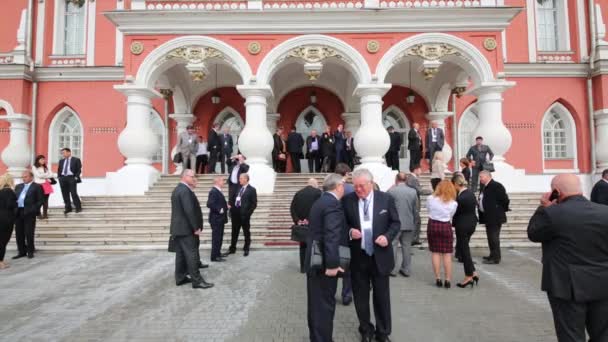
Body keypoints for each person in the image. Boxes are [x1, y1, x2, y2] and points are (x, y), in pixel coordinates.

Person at [528, 174, 608, 342]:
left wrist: (543, 208)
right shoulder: (604, 212)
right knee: (603, 335)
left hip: (565, 285)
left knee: (570, 336)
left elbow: (534, 233)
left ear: (556, 192)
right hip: (602, 282)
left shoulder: (553, 213)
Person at [343, 169, 400, 342]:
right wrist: (350, 231)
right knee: (361, 297)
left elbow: (395, 223)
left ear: (371, 183)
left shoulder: (385, 199)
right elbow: (341, 224)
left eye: (362, 186)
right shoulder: (347, 200)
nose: (358, 189)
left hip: (380, 256)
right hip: (358, 256)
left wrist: (387, 237)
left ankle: (383, 332)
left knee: (382, 297)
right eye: (356, 186)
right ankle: (366, 329)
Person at [305, 173, 347, 342]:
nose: (344, 188)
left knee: (316, 304)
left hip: (314, 261)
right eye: (343, 185)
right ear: (337, 187)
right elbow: (331, 235)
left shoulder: (320, 201)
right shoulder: (332, 204)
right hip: (324, 264)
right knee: (324, 305)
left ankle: (317, 337)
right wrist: (332, 265)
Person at [170, 169, 213, 289]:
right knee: (192, 255)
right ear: (184, 177)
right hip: (186, 229)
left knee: (181, 255)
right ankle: (197, 281)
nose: (194, 178)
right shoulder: (184, 190)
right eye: (192, 176)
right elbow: (189, 211)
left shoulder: (179, 189)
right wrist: (196, 228)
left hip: (180, 229)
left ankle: (180, 277)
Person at [426, 179, 458, 288]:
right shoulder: (453, 203)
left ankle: (438, 278)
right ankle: (448, 280)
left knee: (435, 252)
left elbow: (428, 210)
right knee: (447, 254)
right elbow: (451, 215)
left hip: (433, 224)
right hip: (445, 225)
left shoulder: (430, 199)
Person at [387, 172, 418, 278]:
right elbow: (415, 210)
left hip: (395, 223)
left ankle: (392, 269)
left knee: (393, 245)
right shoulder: (413, 192)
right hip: (409, 222)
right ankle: (406, 269)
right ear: (406, 180)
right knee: (407, 247)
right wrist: (415, 223)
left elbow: (387, 207)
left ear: (396, 179)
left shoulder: (391, 191)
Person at [451, 174, 479, 288]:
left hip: (463, 225)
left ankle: (468, 276)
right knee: (465, 249)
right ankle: (473, 272)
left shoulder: (461, 197)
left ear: (457, 184)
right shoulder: (470, 193)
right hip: (471, 223)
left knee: (464, 251)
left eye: (453, 185)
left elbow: (455, 212)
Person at [290, 178, 322, 273]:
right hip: (314, 224)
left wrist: (298, 220)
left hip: (301, 226)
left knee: (303, 246)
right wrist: (309, 219)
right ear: (315, 184)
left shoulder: (298, 193)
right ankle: (314, 267)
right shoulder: (319, 193)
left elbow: (292, 208)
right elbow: (318, 208)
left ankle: (303, 268)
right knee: (315, 245)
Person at [478, 171, 510, 265]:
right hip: (488, 217)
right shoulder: (485, 186)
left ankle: (496, 258)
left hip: (495, 217)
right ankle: (492, 255)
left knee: (494, 237)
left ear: (488, 176)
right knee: (490, 237)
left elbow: (505, 200)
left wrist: (498, 209)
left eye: (481, 177)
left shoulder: (496, 186)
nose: (480, 179)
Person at [334, 163, 354, 306]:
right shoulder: (351, 189)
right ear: (346, 174)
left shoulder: (329, 188)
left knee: (333, 261)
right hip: (348, 230)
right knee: (348, 264)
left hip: (333, 230)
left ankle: (330, 293)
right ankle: (346, 294)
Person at [13, 171, 44, 259]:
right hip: (18, 212)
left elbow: (41, 200)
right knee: (19, 233)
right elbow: (15, 198)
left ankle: (30, 251)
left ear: (31, 177)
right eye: (22, 177)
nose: (23, 178)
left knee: (29, 232)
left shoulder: (37, 186)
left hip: (29, 212)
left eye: (25, 176)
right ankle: (21, 251)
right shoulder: (18, 186)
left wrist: (33, 209)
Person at [227, 173, 257, 256]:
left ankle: (246, 248)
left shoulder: (252, 190)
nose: (239, 180)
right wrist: (231, 207)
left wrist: (248, 214)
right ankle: (232, 248)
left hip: (244, 215)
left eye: (240, 178)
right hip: (235, 214)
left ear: (246, 179)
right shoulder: (237, 188)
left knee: (246, 232)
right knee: (234, 232)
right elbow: (232, 199)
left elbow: (254, 204)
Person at [407, 165, 432, 246]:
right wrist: (431, 191)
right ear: (415, 169)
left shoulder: (412, 178)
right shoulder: (412, 179)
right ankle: (413, 239)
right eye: (420, 169)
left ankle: (414, 239)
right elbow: (419, 191)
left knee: (417, 221)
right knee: (416, 221)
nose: (421, 171)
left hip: (414, 202)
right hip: (414, 203)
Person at [207, 176, 229, 262]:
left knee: (219, 238)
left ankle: (218, 253)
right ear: (218, 182)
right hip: (216, 220)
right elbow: (210, 204)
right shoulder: (214, 191)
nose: (224, 182)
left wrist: (225, 206)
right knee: (216, 238)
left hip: (219, 219)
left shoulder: (217, 191)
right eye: (223, 180)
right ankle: (214, 257)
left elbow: (217, 203)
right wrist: (221, 209)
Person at [57, 147, 82, 215]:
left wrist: (76, 177)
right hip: (63, 178)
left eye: (64, 153)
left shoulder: (76, 160)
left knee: (73, 193)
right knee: (65, 194)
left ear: (69, 152)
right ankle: (68, 208)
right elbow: (59, 170)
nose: (63, 154)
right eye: (62, 153)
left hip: (71, 178)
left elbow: (79, 169)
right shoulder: (61, 161)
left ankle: (78, 207)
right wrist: (59, 177)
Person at [0, 173, 17, 269]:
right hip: (6, 219)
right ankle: (0, 261)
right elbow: (10, 205)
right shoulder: (9, 191)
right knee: (3, 240)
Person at [33, 154, 56, 219]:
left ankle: (45, 214)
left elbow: (52, 174)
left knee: (46, 200)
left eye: (44, 159)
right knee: (40, 200)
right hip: (38, 185)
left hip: (46, 184)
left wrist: (44, 175)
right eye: (41, 159)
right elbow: (38, 176)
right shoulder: (34, 167)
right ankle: (38, 213)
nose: (43, 161)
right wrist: (47, 175)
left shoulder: (46, 167)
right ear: (38, 160)